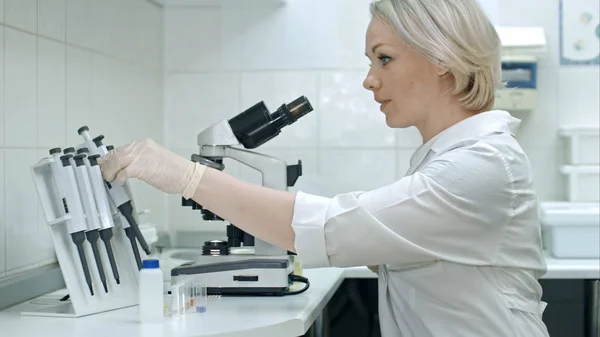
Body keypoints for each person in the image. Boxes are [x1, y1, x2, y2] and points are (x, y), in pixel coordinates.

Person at [98, 0, 550, 336]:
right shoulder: (449, 159)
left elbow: (330, 228)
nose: (369, 78)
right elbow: (399, 245)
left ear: (444, 61)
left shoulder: (481, 165)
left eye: (384, 58)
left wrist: (185, 176)